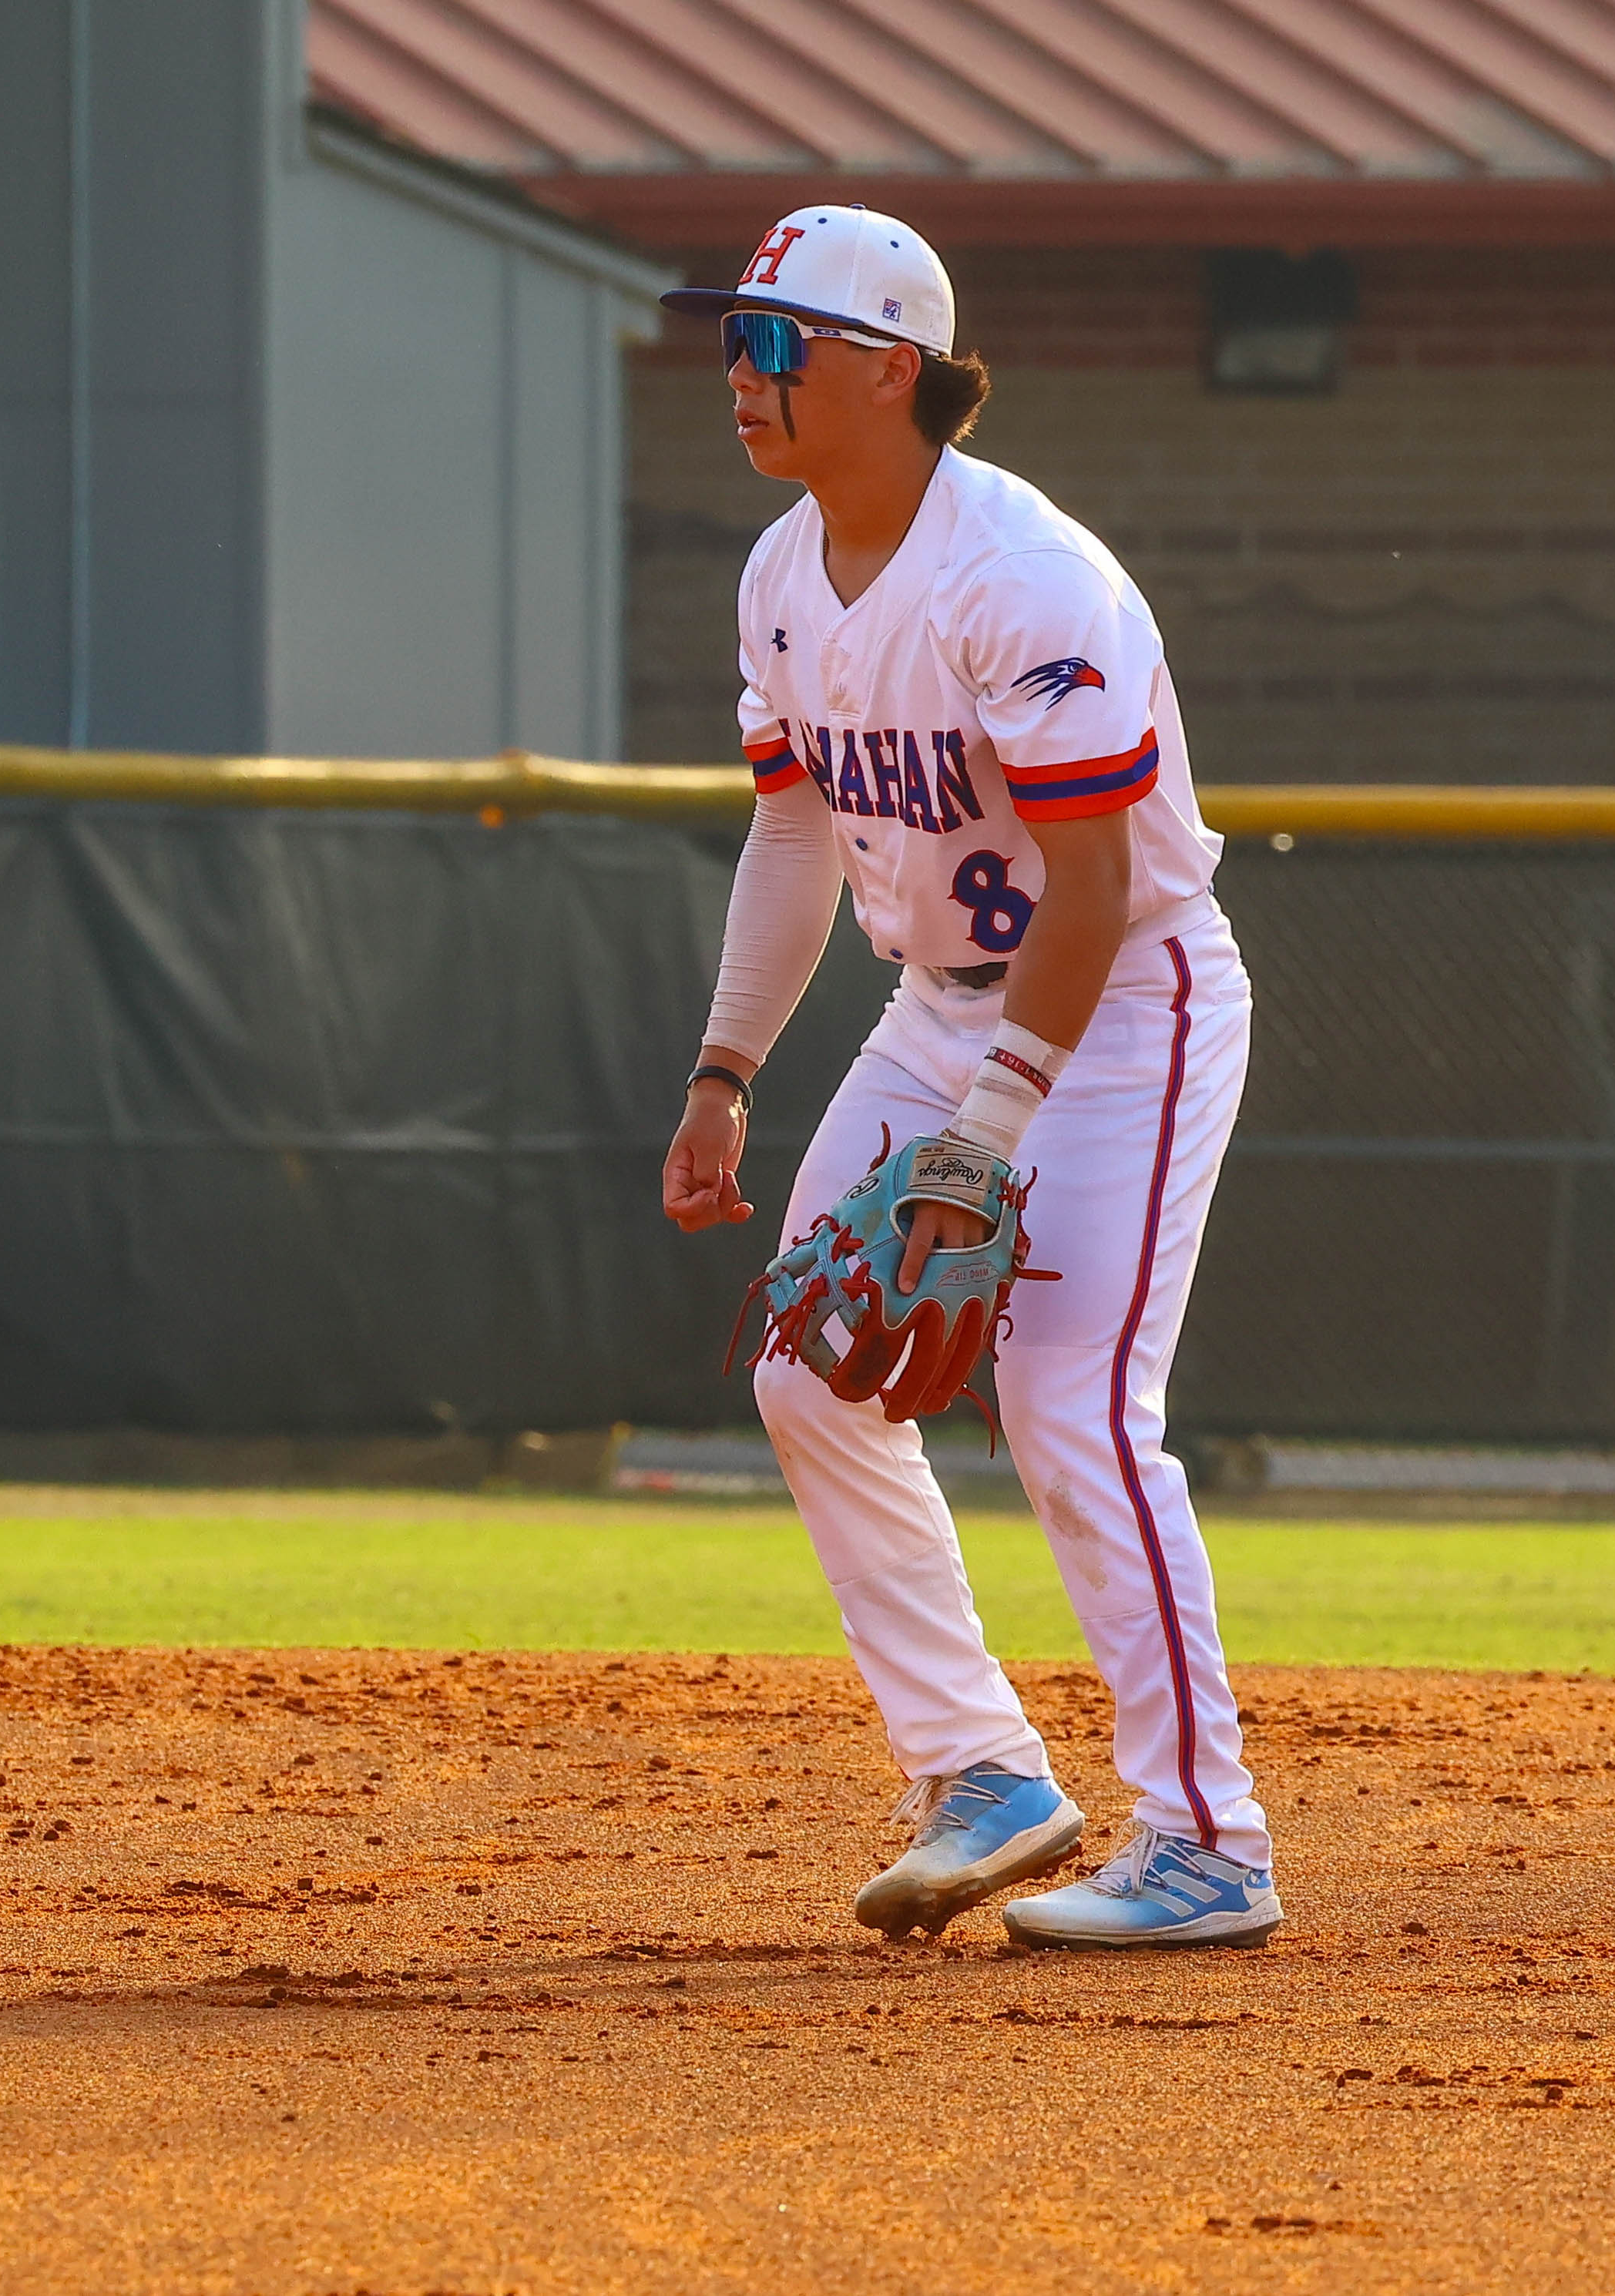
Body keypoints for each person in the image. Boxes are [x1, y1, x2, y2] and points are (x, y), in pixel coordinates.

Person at [658, 206, 1283, 1949]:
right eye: (733, 340)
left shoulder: (1027, 578)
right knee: (809, 1366)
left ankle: (1210, 1836)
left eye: (772, 344)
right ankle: (985, 1767)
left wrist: (992, 1127)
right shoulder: (785, 577)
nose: (739, 375)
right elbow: (792, 826)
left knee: (1071, 1406)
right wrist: (726, 1068)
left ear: (886, 369)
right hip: (933, 999)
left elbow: (1094, 886)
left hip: (1124, 1006)